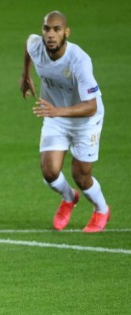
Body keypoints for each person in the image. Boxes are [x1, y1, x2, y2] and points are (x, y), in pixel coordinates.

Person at [20, 11, 110, 233]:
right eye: (47, 29)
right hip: (55, 115)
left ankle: (101, 209)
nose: (50, 34)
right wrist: (26, 75)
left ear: (66, 32)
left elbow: (92, 105)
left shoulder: (79, 60)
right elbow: (28, 46)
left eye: (56, 29)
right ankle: (69, 198)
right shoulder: (36, 45)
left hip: (86, 120)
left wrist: (57, 111)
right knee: (49, 171)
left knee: (81, 175)